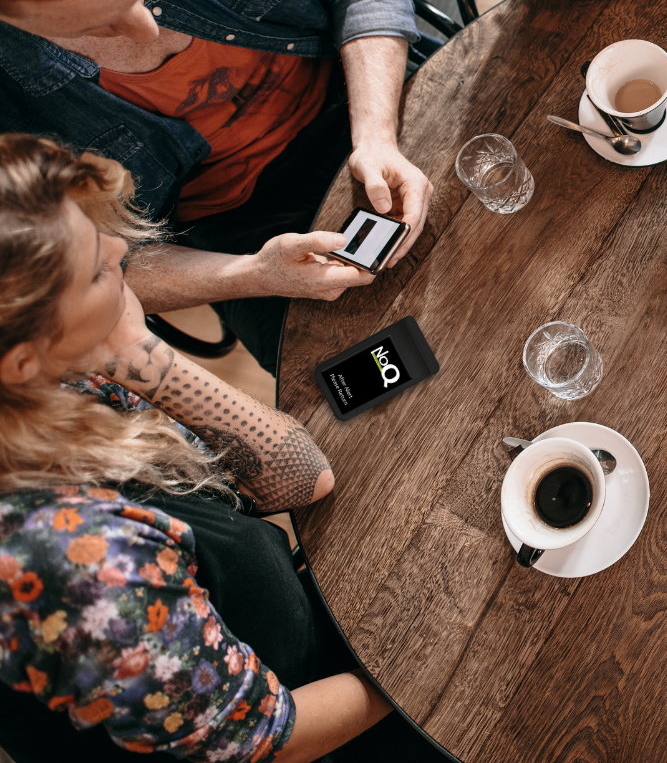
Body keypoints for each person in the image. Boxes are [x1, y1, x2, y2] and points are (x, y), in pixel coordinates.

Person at [0, 133, 444, 762]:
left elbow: (299, 478)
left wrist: (128, 348)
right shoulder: (77, 565)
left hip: (278, 626)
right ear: (23, 358)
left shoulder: (61, 375)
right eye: (97, 270)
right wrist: (408, 672)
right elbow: (268, 740)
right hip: (298, 716)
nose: (122, 251)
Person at [0, 0, 434, 374]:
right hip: (240, 229)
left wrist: (376, 135)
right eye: (92, 28)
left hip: (366, 94)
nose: (146, 32)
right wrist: (253, 274)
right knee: (381, 401)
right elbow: (86, 272)